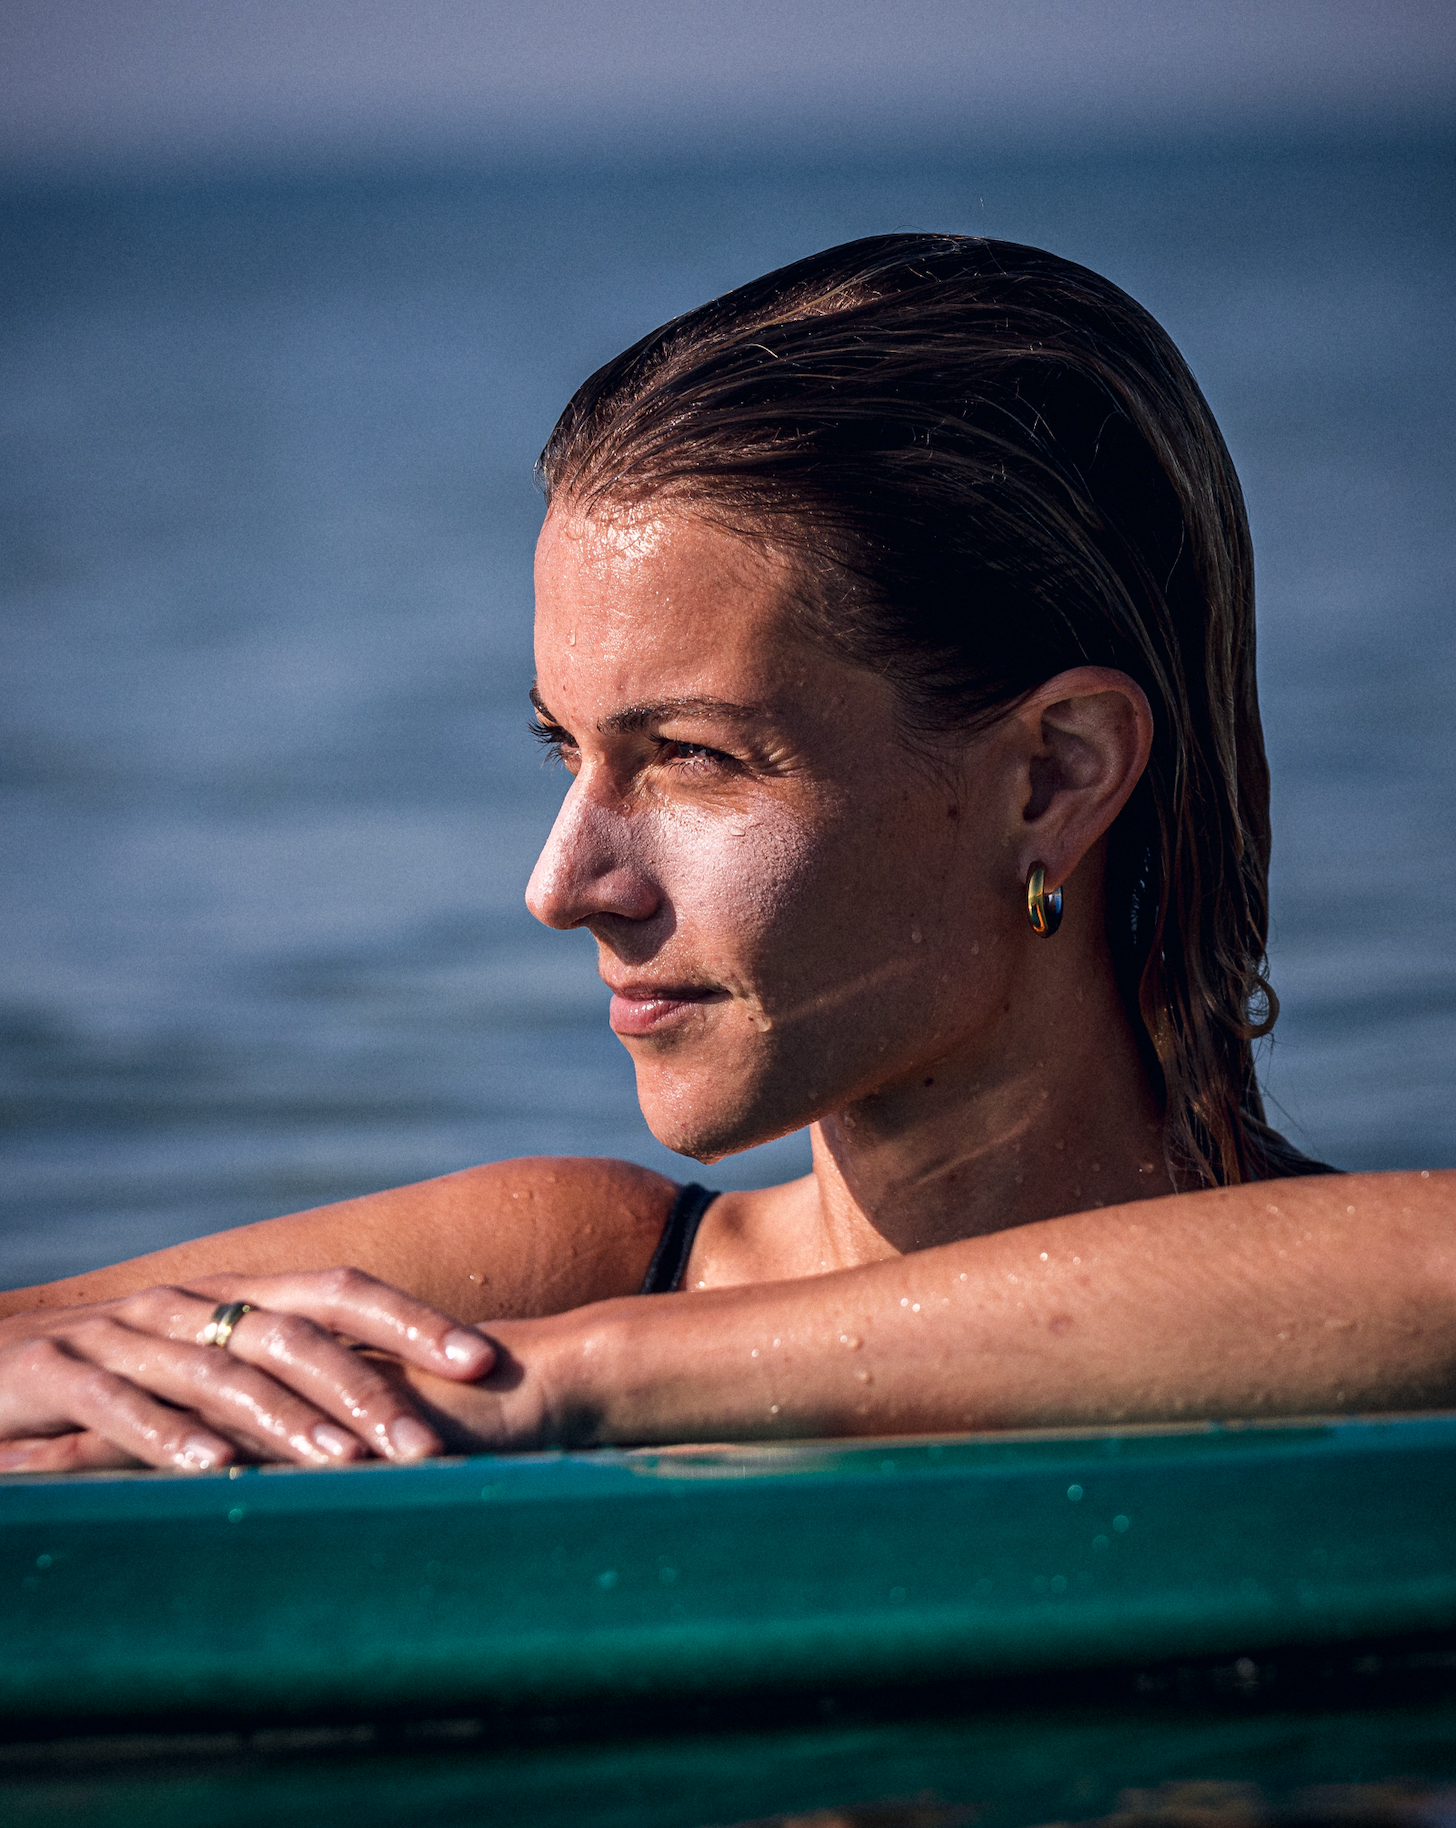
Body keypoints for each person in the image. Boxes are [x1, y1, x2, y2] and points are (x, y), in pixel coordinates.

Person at [1, 234, 1451, 1476]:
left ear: (1052, 775)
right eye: (564, 751)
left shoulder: (1374, 1303)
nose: (561, 886)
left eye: (693, 758)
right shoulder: (578, 1259)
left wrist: (597, 1383)